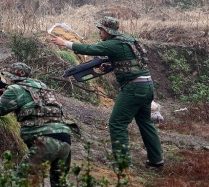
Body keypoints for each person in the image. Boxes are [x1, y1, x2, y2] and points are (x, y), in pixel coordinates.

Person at [51, 16, 164, 168]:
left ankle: (122, 164)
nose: (99, 32)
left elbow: (90, 50)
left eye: (101, 29)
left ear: (108, 31)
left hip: (134, 88)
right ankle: (156, 160)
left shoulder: (113, 44)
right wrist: (112, 64)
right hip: (147, 86)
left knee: (117, 124)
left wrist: (66, 43)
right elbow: (129, 61)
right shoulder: (128, 39)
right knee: (145, 122)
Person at [0, 62, 72, 187]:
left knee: (21, 183)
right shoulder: (42, 87)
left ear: (11, 77)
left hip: (46, 142)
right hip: (65, 139)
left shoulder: (14, 89)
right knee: (60, 184)